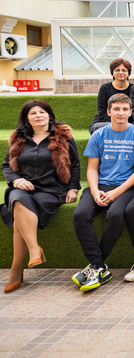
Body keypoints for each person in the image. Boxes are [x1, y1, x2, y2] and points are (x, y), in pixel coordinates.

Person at [71, 94, 134, 291]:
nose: (120, 113)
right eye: (116, 109)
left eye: (125, 109)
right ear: (108, 111)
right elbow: (91, 169)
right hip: (100, 185)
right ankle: (99, 267)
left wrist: (115, 193)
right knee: (80, 215)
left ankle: (96, 266)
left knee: (115, 214)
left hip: (127, 188)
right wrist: (96, 192)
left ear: (131, 113)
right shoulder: (99, 135)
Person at [2, 100, 80, 293]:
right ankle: (34, 249)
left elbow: (75, 164)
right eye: (33, 113)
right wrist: (16, 180)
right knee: (18, 198)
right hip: (24, 187)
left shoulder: (63, 136)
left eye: (42, 112)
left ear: (49, 115)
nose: (38, 115)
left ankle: (16, 270)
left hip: (52, 189)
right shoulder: (18, 138)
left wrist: (73, 188)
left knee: (19, 215)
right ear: (27, 119)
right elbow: (6, 166)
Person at [89, 58, 134, 134]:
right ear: (112, 73)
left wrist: (124, 123)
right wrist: (117, 124)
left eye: (124, 70)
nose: (121, 72)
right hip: (104, 122)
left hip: (128, 122)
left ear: (128, 73)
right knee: (110, 128)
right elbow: (102, 111)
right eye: (117, 70)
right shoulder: (105, 88)